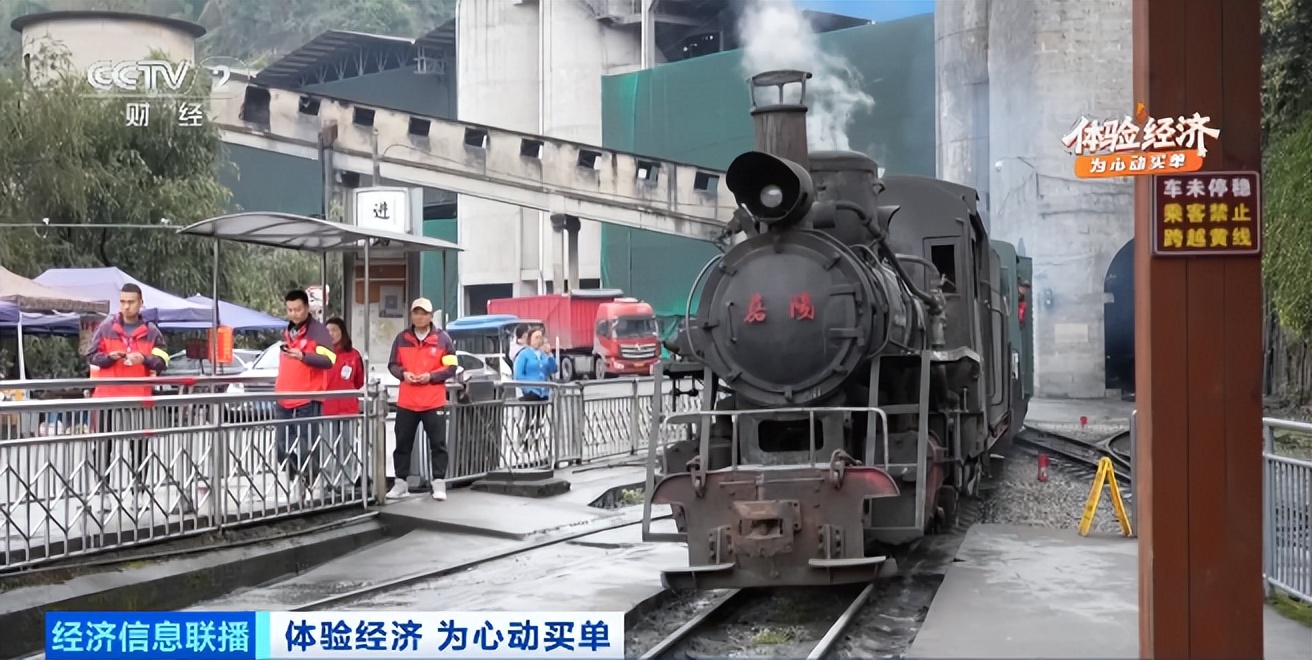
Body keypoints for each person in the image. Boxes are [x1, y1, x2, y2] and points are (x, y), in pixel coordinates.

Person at [85, 283, 169, 510]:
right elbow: (91, 356)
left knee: (139, 447)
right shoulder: (105, 328)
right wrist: (109, 358)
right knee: (103, 446)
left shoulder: (152, 332)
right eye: (122, 302)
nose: (126, 306)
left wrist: (145, 359)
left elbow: (163, 360)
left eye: (131, 302)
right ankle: (102, 493)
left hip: (138, 396)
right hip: (107, 395)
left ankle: (138, 493)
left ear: (141, 303)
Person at [386, 298, 458, 502]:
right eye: (416, 313)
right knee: (402, 443)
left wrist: (431, 377)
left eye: (423, 313)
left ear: (430, 316)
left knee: (438, 443)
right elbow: (393, 364)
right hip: (407, 401)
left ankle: (439, 482)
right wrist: (403, 374)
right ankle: (400, 483)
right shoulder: (402, 338)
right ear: (411, 315)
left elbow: (451, 367)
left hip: (433, 401)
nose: (419, 317)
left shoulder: (443, 339)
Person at [274, 289, 337, 497]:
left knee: (306, 446)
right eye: (290, 310)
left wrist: (303, 356)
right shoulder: (288, 331)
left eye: (298, 309)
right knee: (281, 447)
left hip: (307, 398)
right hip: (283, 398)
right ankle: (297, 478)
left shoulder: (317, 332)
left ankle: (309, 479)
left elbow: (329, 359)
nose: (294, 314)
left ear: (307, 308)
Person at [323, 317, 365, 496]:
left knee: (347, 447)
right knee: (327, 448)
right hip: (326, 409)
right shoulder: (321, 354)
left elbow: (359, 381)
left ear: (343, 332)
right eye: (328, 331)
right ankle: (329, 483)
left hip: (348, 408)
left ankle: (347, 482)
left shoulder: (353, 355)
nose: (331, 334)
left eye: (334, 330)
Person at [513, 328, 558, 448]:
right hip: (530, 393)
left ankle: (535, 443)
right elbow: (518, 375)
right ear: (530, 340)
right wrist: (528, 389)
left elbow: (553, 369)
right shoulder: (524, 354)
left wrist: (550, 355)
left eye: (541, 337)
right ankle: (523, 444)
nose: (539, 340)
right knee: (529, 419)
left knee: (539, 420)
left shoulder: (543, 355)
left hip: (543, 393)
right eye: (536, 337)